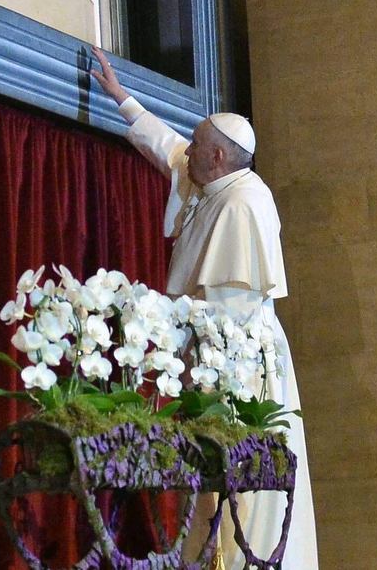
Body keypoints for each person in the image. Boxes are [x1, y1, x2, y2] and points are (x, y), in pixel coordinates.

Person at [89, 47, 318, 570]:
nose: (187, 152)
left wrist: (158, 325)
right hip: (207, 365)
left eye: (198, 146)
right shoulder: (213, 178)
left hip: (239, 377)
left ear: (218, 157)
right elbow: (169, 151)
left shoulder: (244, 205)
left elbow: (228, 313)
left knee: (245, 505)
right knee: (209, 506)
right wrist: (123, 99)